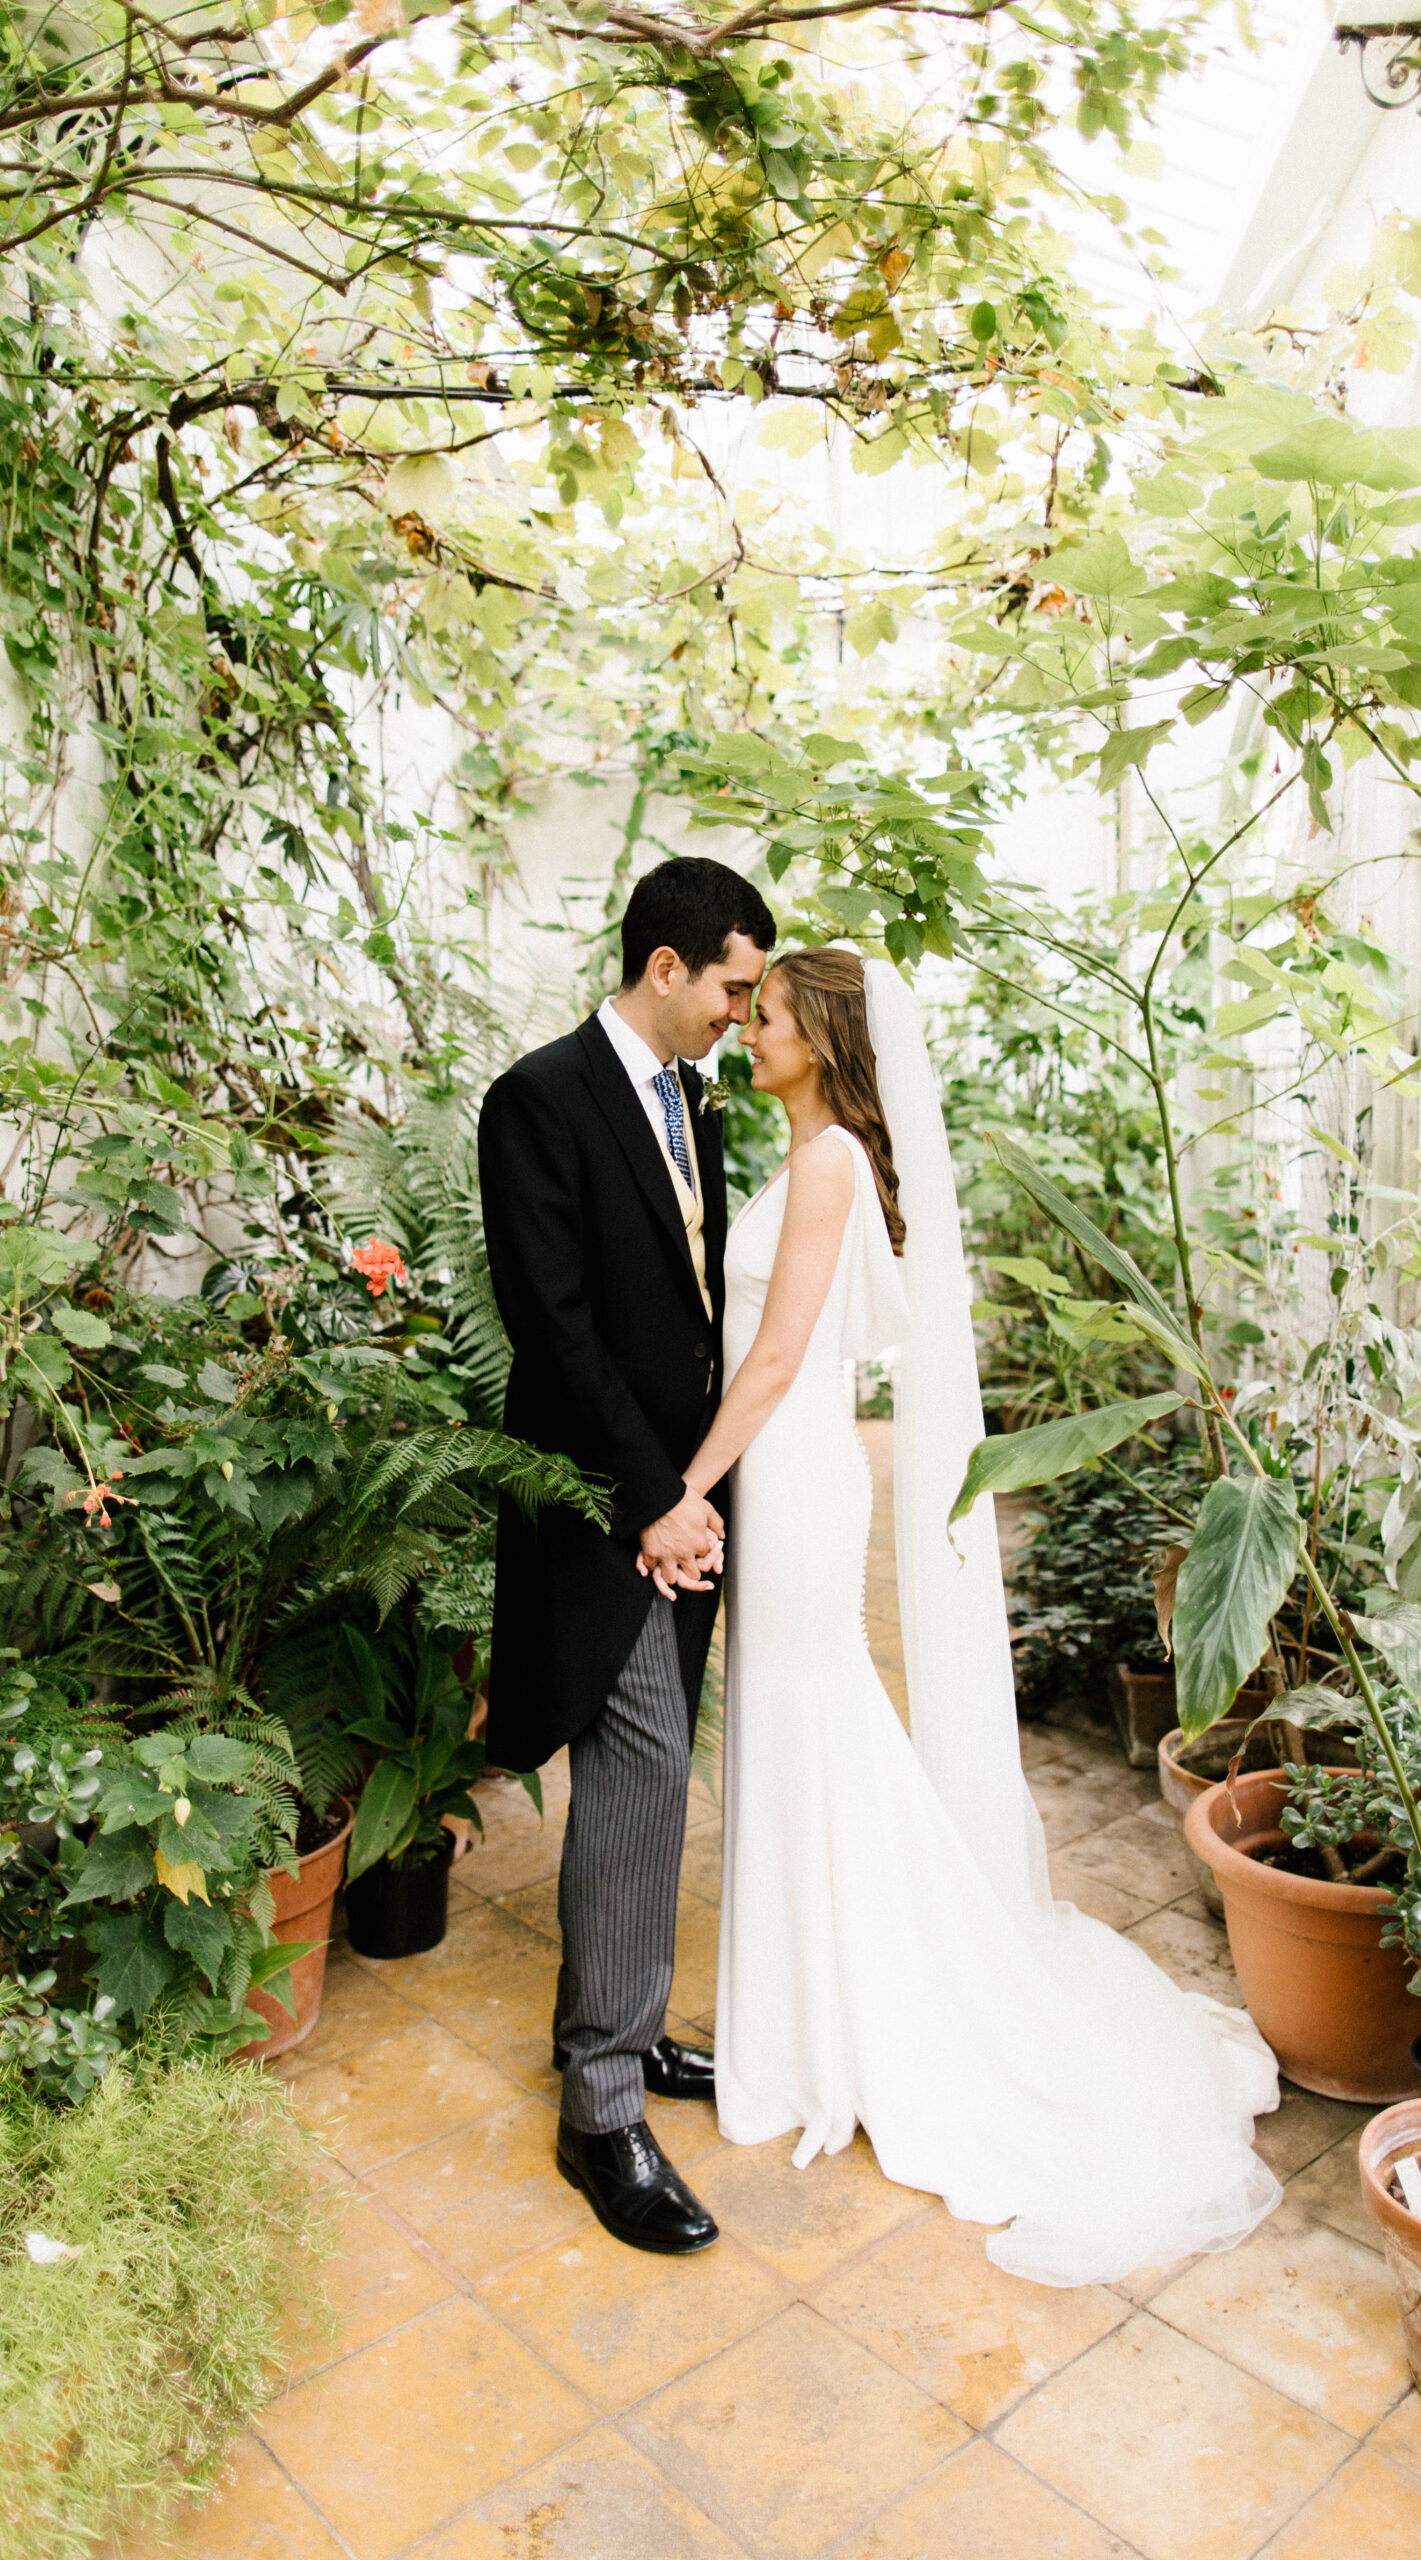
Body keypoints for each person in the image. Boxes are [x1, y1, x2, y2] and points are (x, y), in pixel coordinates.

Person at [679, 947, 1283, 2287]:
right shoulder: (812, 1154)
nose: (746, 1027)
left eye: (765, 1014)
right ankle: (806, 2017)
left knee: (812, 1722)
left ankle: (849, 2020)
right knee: (797, 1729)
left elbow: (779, 1357)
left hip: (791, 1465)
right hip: (783, 1468)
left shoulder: (831, 1161)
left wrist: (686, 1488)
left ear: (823, 1038)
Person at [477, 856, 774, 2256]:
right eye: (732, 987)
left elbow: (695, 1309)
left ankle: (623, 2031)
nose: (741, 1013)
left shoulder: (693, 1101)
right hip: (605, 1508)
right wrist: (657, 1497)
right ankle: (600, 2110)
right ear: (667, 968)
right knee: (646, 1762)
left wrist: (707, 1485)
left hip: (685, 1502)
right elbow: (557, 1327)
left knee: (646, 1776)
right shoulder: (537, 1101)